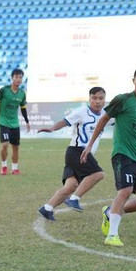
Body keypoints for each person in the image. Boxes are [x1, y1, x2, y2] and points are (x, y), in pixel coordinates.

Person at [81, 67, 136, 247]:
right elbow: (104, 119)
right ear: (134, 81)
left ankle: (109, 213)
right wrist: (90, 144)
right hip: (122, 154)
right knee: (125, 191)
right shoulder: (123, 100)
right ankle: (112, 235)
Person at [36, 86, 108, 220]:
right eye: (94, 98)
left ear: (105, 100)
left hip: (80, 154)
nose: (97, 101)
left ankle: (47, 208)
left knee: (71, 186)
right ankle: (74, 199)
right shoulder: (82, 112)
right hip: (77, 151)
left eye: (101, 98)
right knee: (98, 174)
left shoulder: (106, 115)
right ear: (89, 99)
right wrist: (52, 128)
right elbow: (65, 121)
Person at [0, 68, 31, 175]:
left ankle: (15, 168)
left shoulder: (22, 93)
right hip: (3, 122)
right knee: (5, 144)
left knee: (15, 147)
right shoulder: (4, 90)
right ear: (12, 78)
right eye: (16, 77)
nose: (18, 79)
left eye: (20, 77)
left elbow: (23, 108)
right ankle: (4, 166)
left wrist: (27, 121)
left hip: (15, 124)